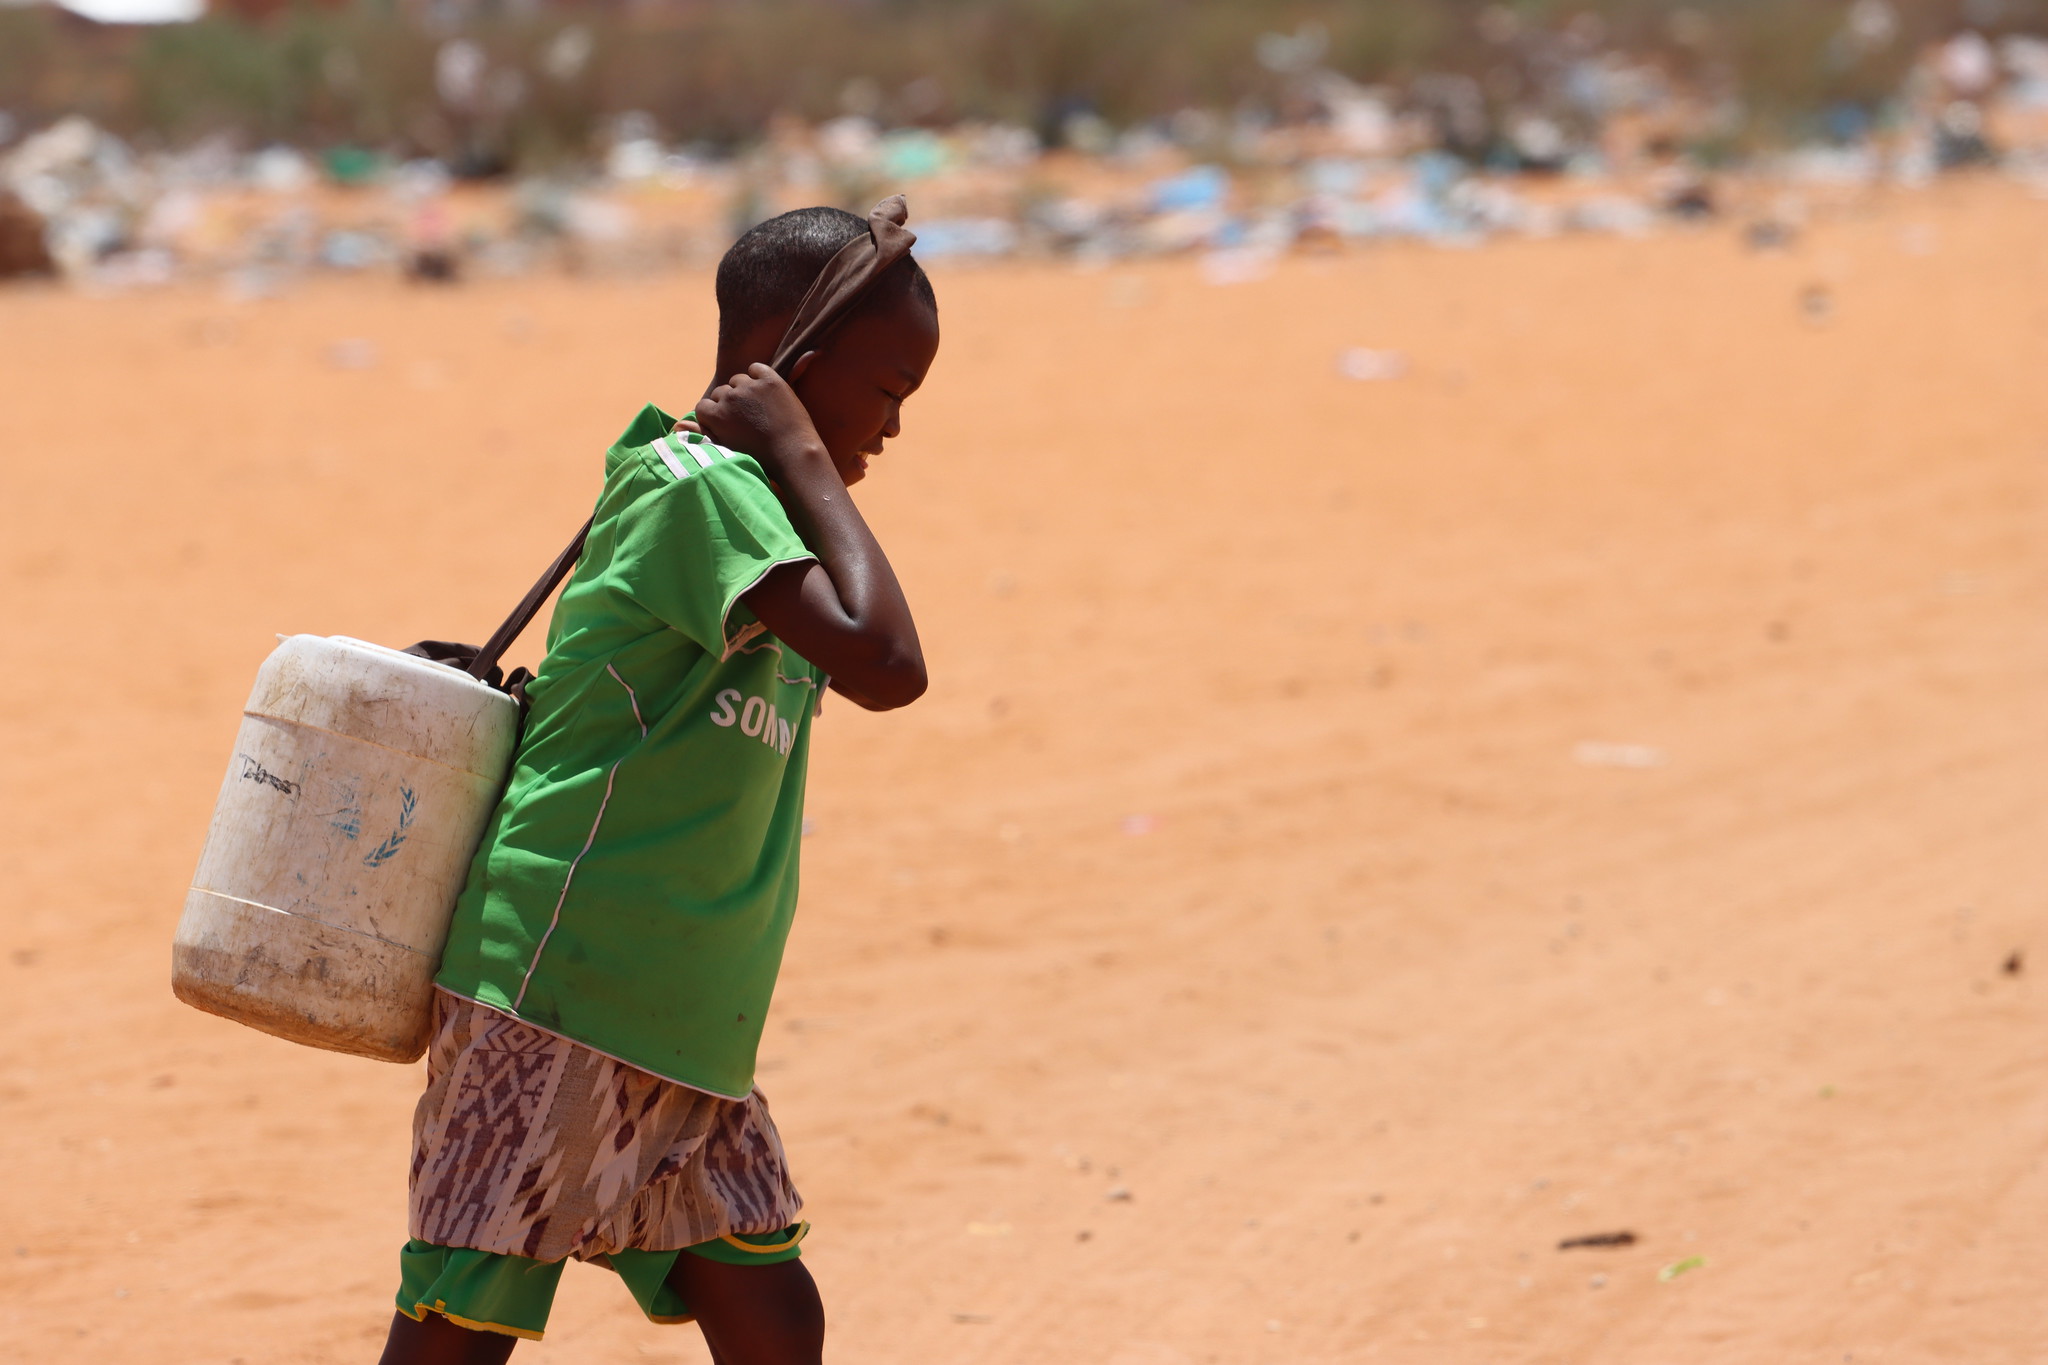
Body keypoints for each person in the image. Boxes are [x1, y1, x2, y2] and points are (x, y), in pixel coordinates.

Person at [376, 199, 941, 1365]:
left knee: (769, 1310)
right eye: (887, 391)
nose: (890, 429)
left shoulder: (757, 517)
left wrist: (798, 463)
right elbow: (887, 663)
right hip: (560, 990)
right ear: (787, 354)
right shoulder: (700, 491)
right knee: (459, 1323)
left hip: (678, 1022)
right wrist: (791, 447)